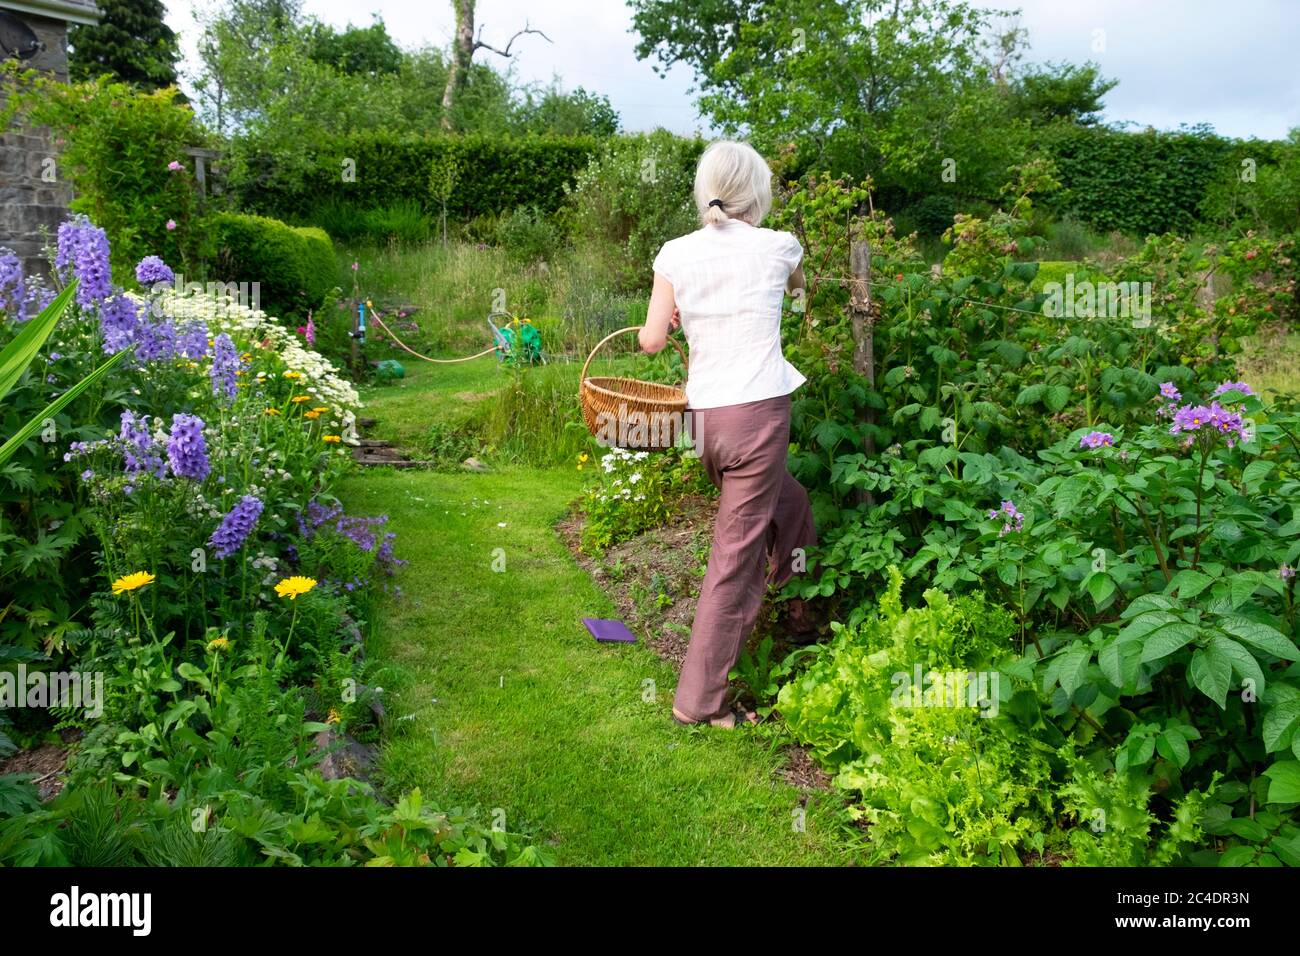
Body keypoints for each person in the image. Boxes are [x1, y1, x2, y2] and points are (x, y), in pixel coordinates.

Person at [639, 140, 816, 729]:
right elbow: (799, 296)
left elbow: (651, 341)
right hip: (758, 415)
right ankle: (701, 701)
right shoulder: (779, 247)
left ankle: (801, 609)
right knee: (734, 558)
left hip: (704, 421)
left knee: (791, 504)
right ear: (757, 192)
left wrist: (674, 315)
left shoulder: (674, 254)